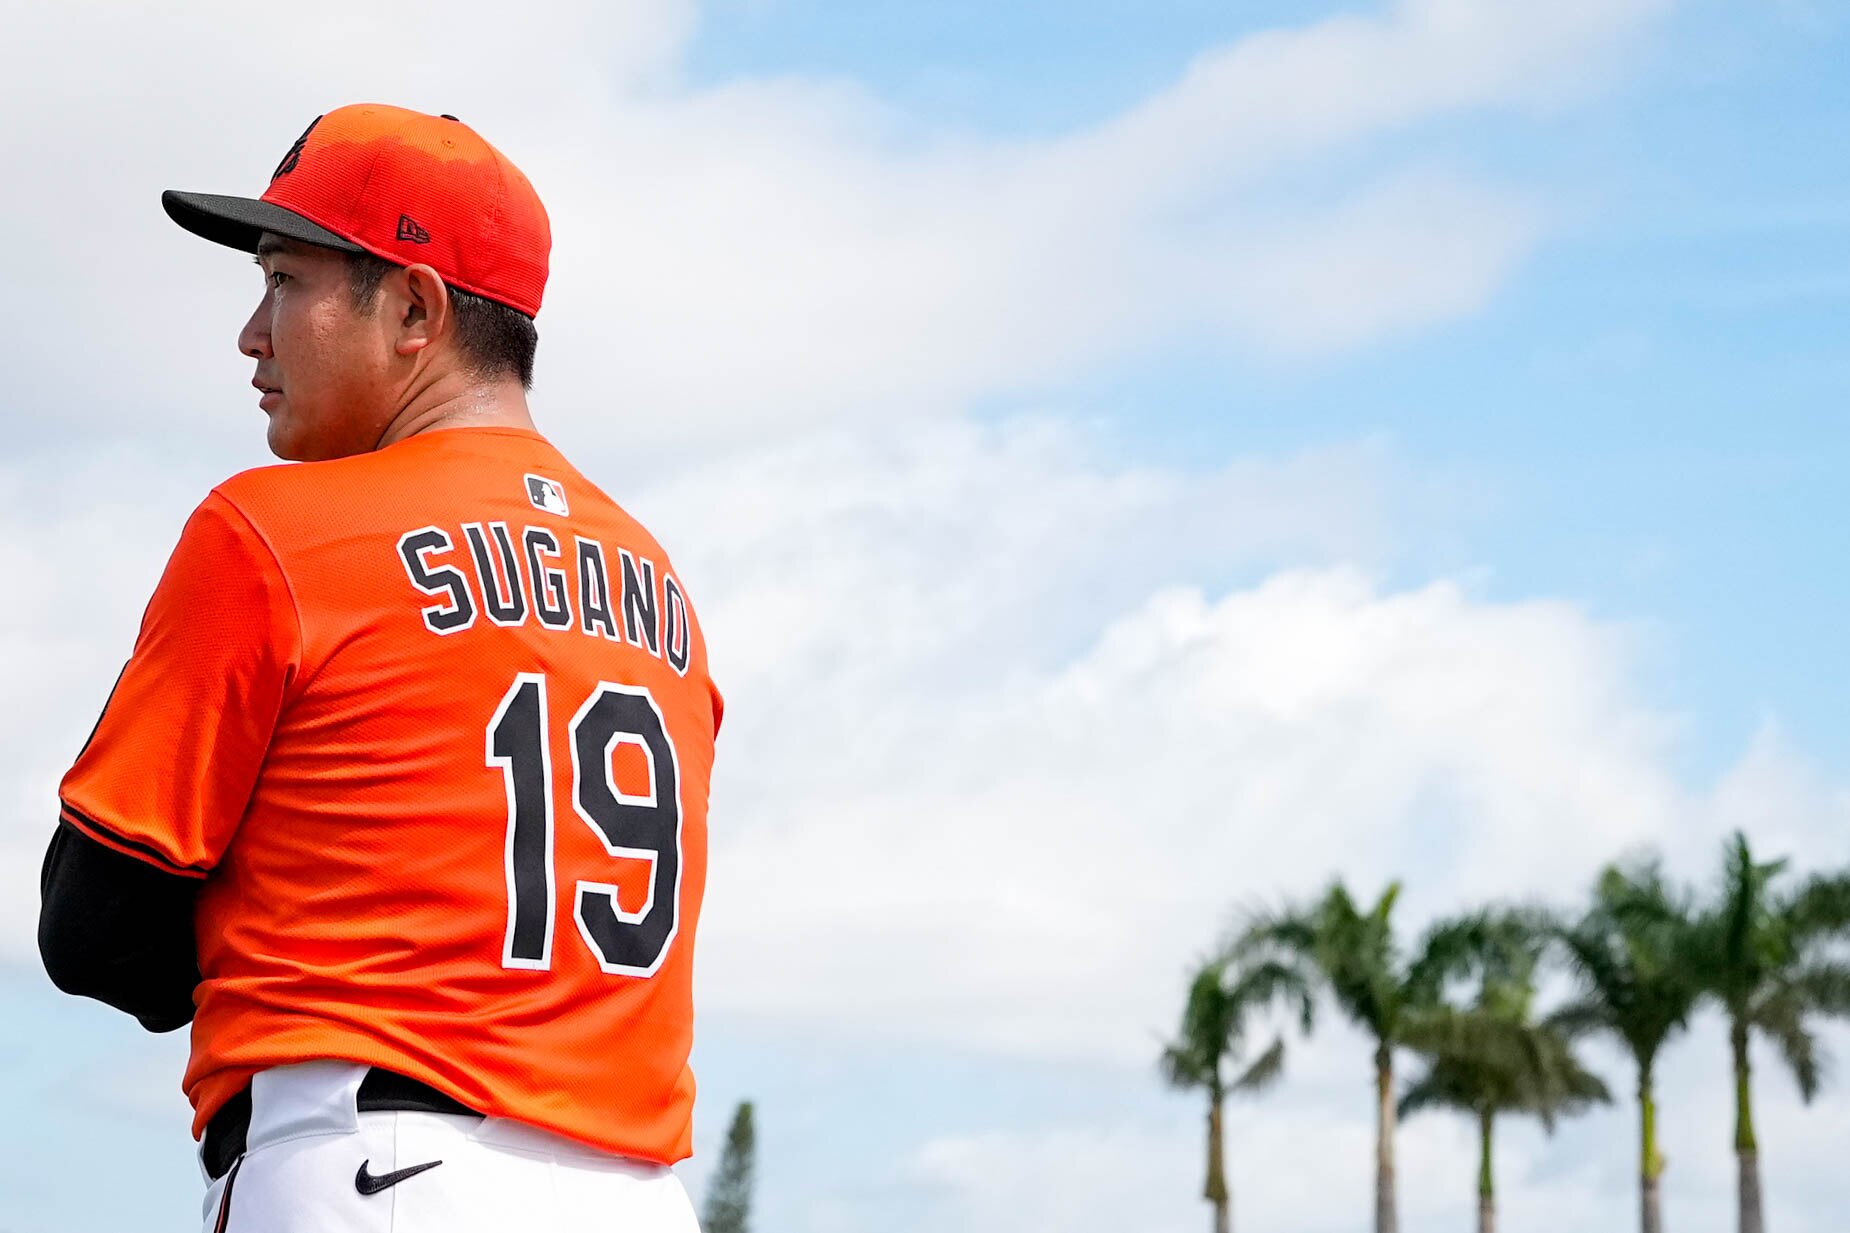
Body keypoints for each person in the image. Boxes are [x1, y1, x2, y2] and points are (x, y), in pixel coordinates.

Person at [37, 103, 722, 1233]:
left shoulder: (275, 531)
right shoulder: (663, 594)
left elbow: (97, 938)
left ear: (413, 307)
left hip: (377, 1169)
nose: (252, 335)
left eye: (283, 280)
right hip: (639, 1196)